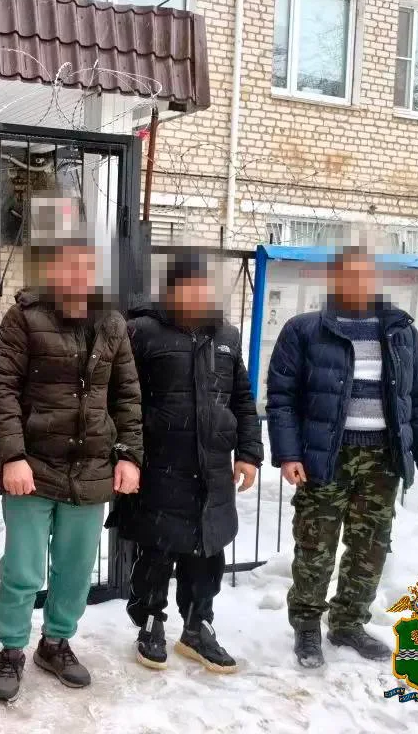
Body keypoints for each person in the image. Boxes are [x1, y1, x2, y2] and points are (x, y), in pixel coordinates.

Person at [0, 197, 143, 702]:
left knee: (74, 571)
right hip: (32, 469)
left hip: (91, 470)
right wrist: (12, 456)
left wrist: (128, 454)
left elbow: (127, 395)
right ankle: (12, 648)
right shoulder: (25, 318)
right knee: (23, 570)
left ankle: (55, 643)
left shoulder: (112, 324)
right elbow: (1, 388)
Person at [267, 246, 418, 669]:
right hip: (324, 457)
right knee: (315, 545)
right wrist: (289, 454)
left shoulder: (400, 331)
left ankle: (348, 622)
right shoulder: (305, 329)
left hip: (383, 458)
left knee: (371, 547)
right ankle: (307, 626)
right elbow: (281, 398)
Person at [109, 252, 263, 674]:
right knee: (157, 550)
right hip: (160, 464)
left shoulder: (226, 335)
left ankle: (197, 626)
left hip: (212, 469)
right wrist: (127, 454)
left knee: (206, 551)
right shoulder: (142, 331)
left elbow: (242, 399)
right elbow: (123, 396)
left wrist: (249, 453)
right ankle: (151, 621)